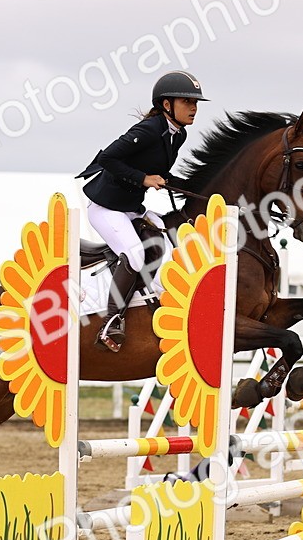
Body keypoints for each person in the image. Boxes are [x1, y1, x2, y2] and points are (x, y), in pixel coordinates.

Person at [76, 70, 208, 352]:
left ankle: (149, 298)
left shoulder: (177, 134)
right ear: (167, 104)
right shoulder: (148, 130)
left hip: (131, 208)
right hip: (106, 208)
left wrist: (201, 191)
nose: (194, 107)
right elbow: (108, 158)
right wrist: (143, 179)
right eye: (187, 101)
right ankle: (111, 321)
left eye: (196, 102)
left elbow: (162, 173)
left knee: (167, 234)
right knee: (135, 253)